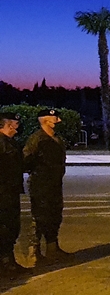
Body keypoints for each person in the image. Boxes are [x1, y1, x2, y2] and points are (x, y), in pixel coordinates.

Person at [23, 109, 73, 265]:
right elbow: (26, 160)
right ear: (45, 120)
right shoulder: (37, 139)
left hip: (55, 183)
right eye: (54, 118)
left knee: (55, 215)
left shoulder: (57, 139)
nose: (57, 120)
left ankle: (52, 247)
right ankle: (34, 251)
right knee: (39, 217)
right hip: (40, 184)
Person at [0, 112, 28, 275]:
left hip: (11, 191)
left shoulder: (11, 143)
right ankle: (5, 263)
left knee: (11, 226)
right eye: (15, 125)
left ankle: (9, 261)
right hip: (3, 192)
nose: (17, 129)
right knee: (4, 227)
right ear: (8, 125)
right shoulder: (2, 144)